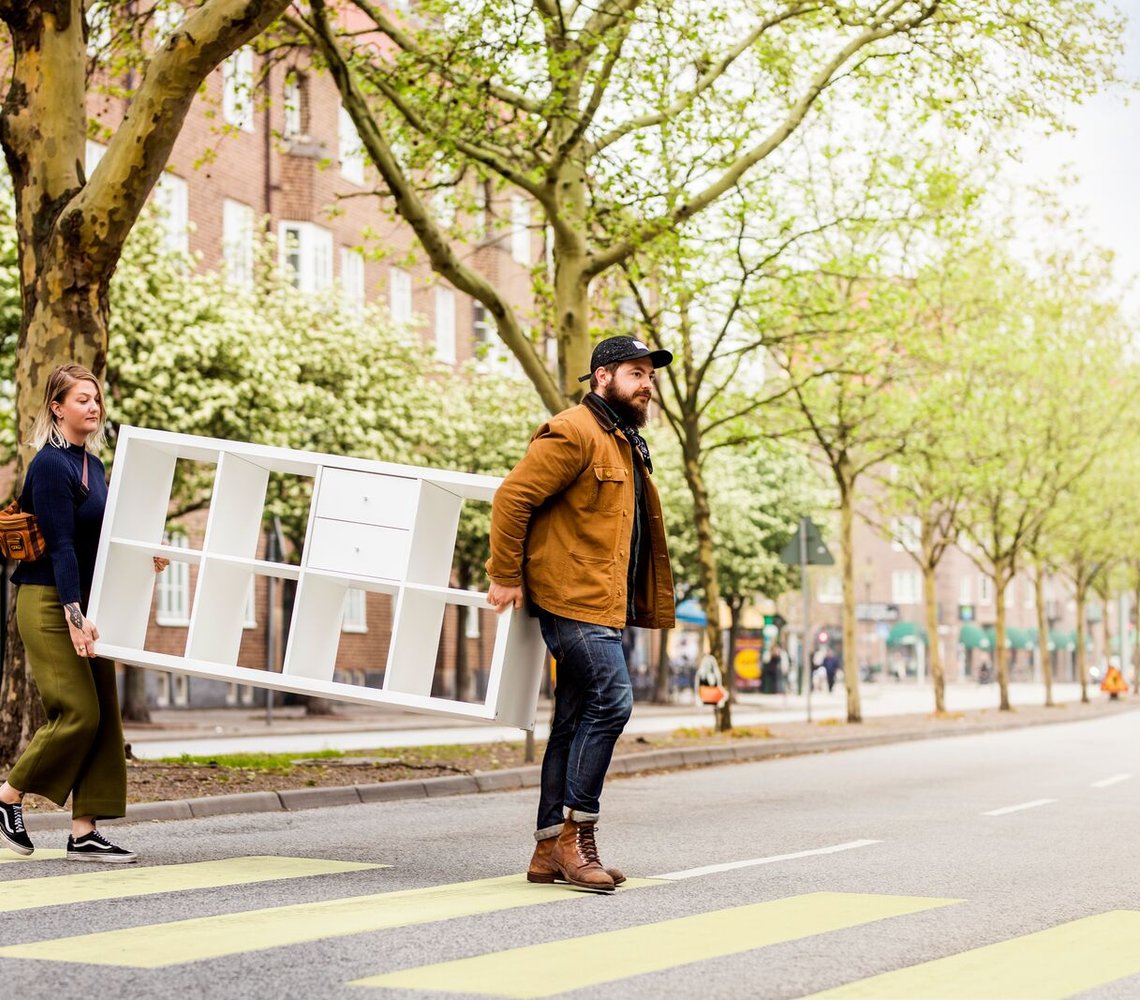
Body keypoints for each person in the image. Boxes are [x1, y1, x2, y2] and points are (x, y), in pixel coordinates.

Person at [487, 335, 676, 892]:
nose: (648, 386)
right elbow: (512, 498)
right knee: (612, 702)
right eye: (636, 374)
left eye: (650, 376)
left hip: (603, 601)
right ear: (602, 378)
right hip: (572, 600)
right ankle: (577, 834)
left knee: (572, 720)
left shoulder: (621, 441)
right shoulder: (573, 431)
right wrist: (504, 574)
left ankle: (547, 850)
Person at [0, 364, 166, 863]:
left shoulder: (92, 467)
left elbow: (103, 540)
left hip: (86, 605)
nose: (93, 406)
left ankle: (84, 830)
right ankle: (7, 796)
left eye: (95, 399)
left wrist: (146, 557)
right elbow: (63, 547)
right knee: (77, 712)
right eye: (81, 399)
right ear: (57, 407)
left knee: (104, 718)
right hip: (51, 602)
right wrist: (74, 617)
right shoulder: (51, 465)